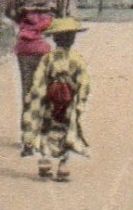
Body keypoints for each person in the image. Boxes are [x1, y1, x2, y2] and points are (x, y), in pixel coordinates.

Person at [0, 0, 76, 115]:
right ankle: (42, 131)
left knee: (28, 88)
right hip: (48, 44)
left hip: (26, 43)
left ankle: (28, 133)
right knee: (49, 88)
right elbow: (69, 16)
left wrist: (23, 19)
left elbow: (9, 10)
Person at [20, 17, 91, 182]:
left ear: (55, 38)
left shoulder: (48, 59)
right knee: (67, 129)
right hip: (68, 101)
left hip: (50, 100)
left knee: (46, 127)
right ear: (73, 39)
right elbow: (84, 83)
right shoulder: (77, 59)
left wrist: (35, 99)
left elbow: (39, 81)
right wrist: (80, 101)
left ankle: (45, 159)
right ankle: (63, 164)